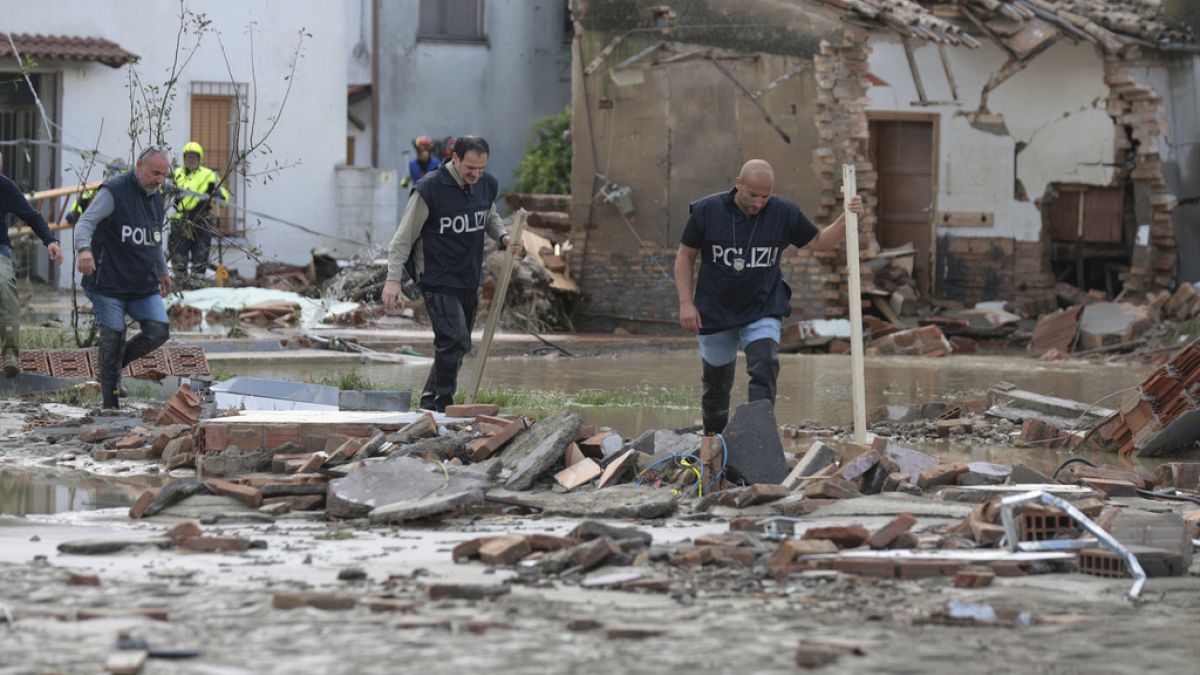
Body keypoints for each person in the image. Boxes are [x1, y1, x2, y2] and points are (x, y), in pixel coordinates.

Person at [674, 159, 864, 435]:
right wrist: (685, 304)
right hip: (714, 308)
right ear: (738, 184)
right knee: (716, 386)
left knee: (765, 364)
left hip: (761, 306)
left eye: (766, 196)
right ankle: (714, 441)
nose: (759, 203)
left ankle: (757, 435)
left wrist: (847, 216)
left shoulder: (783, 212)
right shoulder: (707, 210)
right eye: (753, 195)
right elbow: (685, 256)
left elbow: (820, 242)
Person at [381, 136, 518, 412]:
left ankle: (430, 401)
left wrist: (503, 236)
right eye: (470, 168)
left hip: (468, 275)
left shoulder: (485, 184)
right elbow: (402, 239)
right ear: (454, 159)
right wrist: (392, 281)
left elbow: (488, 215)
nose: (476, 175)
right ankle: (443, 404)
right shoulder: (429, 189)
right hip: (436, 276)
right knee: (453, 339)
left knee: (459, 344)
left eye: (481, 168)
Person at [74, 146, 173, 409]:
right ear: (139, 165)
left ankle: (113, 368)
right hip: (107, 280)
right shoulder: (114, 190)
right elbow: (85, 223)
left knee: (158, 331)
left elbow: (154, 238)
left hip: (141, 283)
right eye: (155, 173)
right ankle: (110, 405)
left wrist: (162, 270)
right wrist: (84, 250)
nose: (159, 180)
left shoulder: (156, 197)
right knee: (115, 334)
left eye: (164, 175)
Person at [0, 151, 64, 377]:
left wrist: (50, 241)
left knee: (4, 287)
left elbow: (33, 217)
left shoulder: (5, 186)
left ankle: (10, 355)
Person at [169, 141, 229, 281]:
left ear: (199, 158)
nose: (191, 160)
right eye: (188, 157)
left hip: (202, 221)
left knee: (201, 257)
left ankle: (196, 289)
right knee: (178, 259)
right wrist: (164, 189)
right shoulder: (176, 173)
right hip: (180, 221)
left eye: (194, 157)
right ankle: (180, 288)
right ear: (184, 158)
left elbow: (224, 200)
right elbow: (162, 193)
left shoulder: (209, 175)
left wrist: (220, 195)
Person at [66, 158, 129, 225]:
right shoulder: (98, 188)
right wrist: (74, 212)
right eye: (107, 171)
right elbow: (83, 199)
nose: (108, 174)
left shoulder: (127, 190)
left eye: (113, 171)